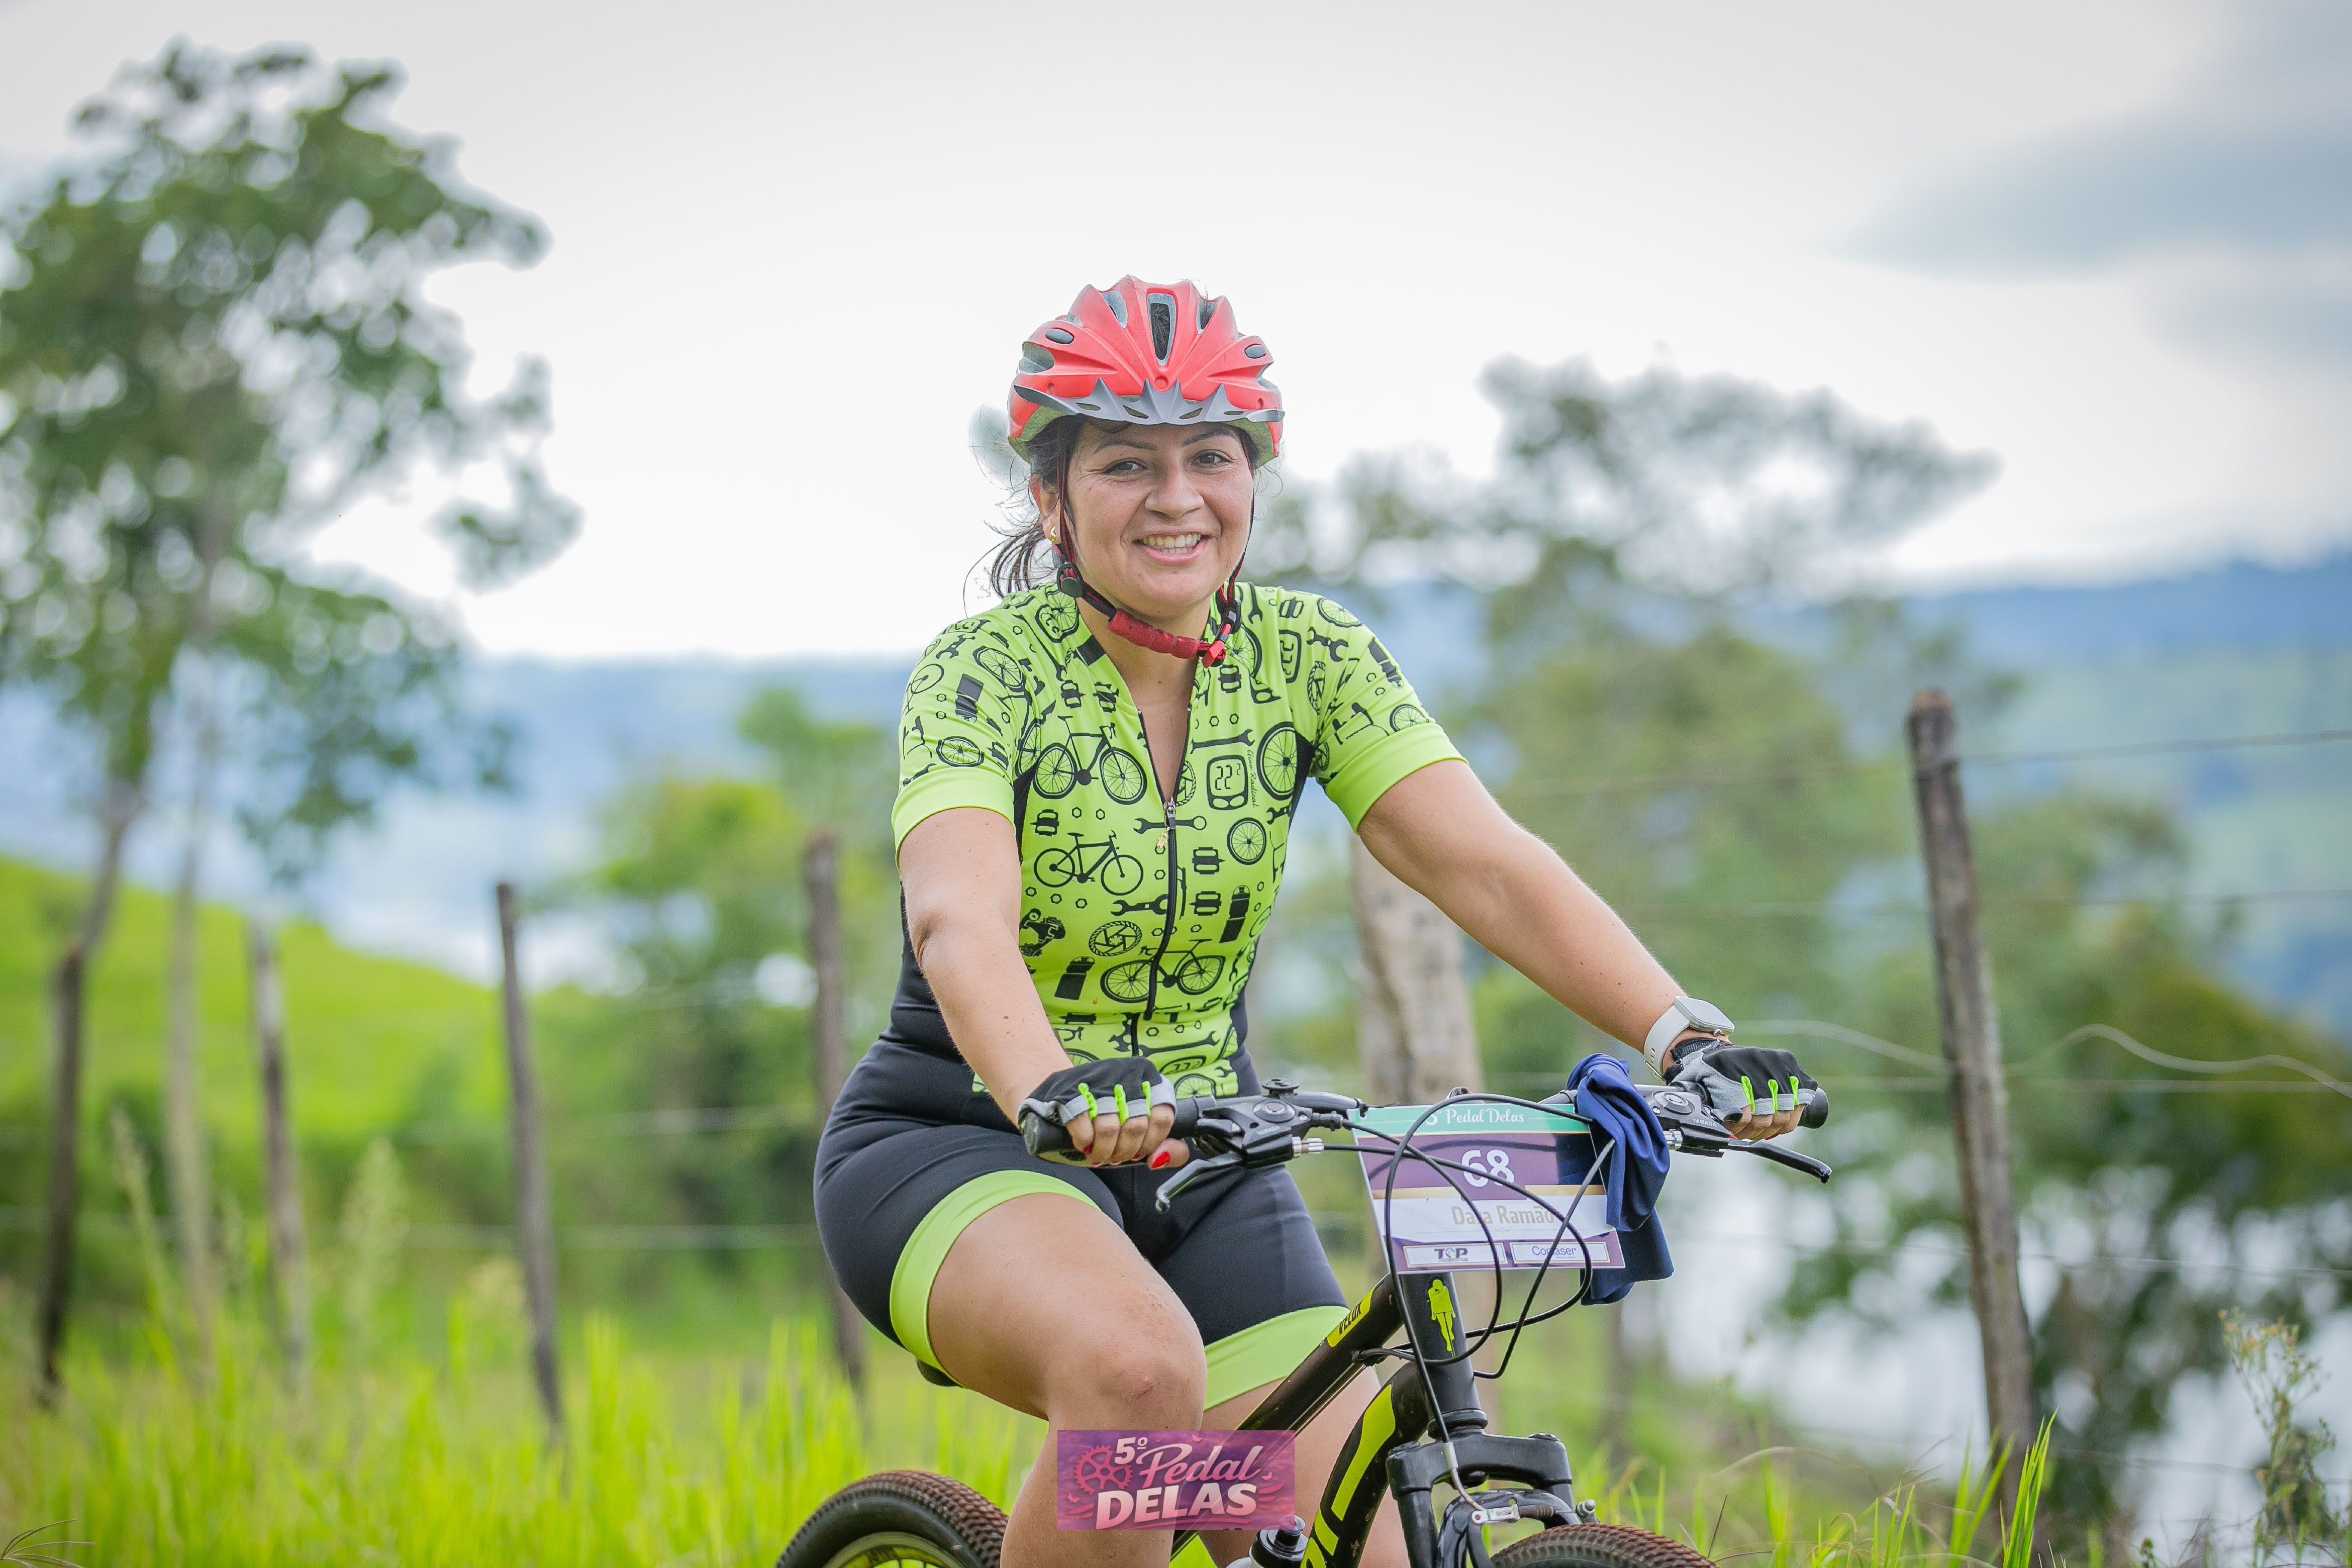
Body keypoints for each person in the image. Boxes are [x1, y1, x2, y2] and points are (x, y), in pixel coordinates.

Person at [814, 277, 1818, 1568]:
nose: (1177, 497)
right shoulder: (983, 672)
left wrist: (1682, 1035)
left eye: (1210, 457)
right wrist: (1051, 1087)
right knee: (1137, 1383)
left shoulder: (1308, 655)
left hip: (1205, 1162)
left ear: (1253, 476)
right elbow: (961, 922)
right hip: (962, 1142)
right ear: (1051, 498)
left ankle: (1179, 1515)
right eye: (1126, 463)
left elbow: (1488, 868)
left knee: (1357, 1537)